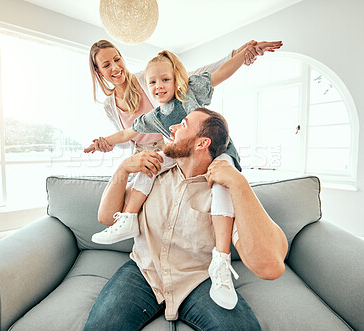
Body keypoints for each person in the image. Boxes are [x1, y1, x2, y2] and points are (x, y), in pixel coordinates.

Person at [86, 44, 282, 309]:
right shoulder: (153, 118)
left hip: (217, 156)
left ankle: (221, 258)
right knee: (151, 163)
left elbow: (217, 72)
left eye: (165, 80)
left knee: (220, 180)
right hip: (168, 159)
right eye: (153, 82)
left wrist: (240, 55)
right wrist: (109, 150)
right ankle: (129, 218)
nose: (158, 86)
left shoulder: (189, 94)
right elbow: (127, 135)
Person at [84, 108, 288, 330]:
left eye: (183, 124)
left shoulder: (224, 192)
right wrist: (123, 169)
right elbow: (106, 217)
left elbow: (270, 268)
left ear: (202, 143)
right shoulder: (153, 174)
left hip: (197, 280)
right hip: (144, 272)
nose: (172, 128)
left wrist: (240, 183)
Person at [86, 39, 281, 154]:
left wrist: (237, 55)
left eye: (117, 59)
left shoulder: (149, 77)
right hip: (142, 153)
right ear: (98, 71)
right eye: (106, 65)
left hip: (170, 144)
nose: (115, 67)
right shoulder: (111, 107)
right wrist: (107, 143)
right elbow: (126, 137)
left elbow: (200, 77)